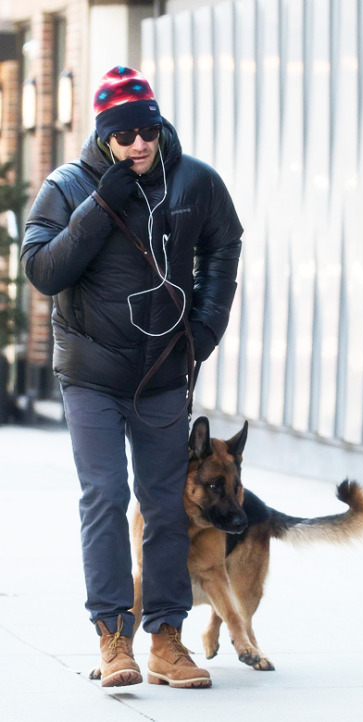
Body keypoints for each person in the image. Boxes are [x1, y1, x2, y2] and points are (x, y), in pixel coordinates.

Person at [21, 66, 243, 689]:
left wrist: (206, 327)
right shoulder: (67, 187)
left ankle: (167, 639)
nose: (139, 144)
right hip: (90, 372)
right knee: (105, 498)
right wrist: (101, 204)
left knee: (167, 509)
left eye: (148, 130)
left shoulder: (194, 180)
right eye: (124, 136)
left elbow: (225, 243)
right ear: (104, 138)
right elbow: (42, 270)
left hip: (163, 372)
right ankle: (113, 636)